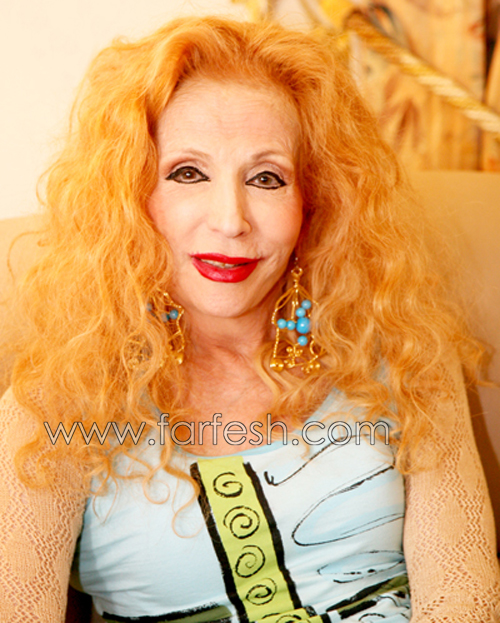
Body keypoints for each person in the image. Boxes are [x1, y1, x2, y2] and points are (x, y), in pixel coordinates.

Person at [0, 15, 499, 623]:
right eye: (188, 173)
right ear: (131, 196)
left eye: (266, 178)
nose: (231, 220)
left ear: (314, 200)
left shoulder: (405, 354)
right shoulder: (54, 401)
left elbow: (464, 595)